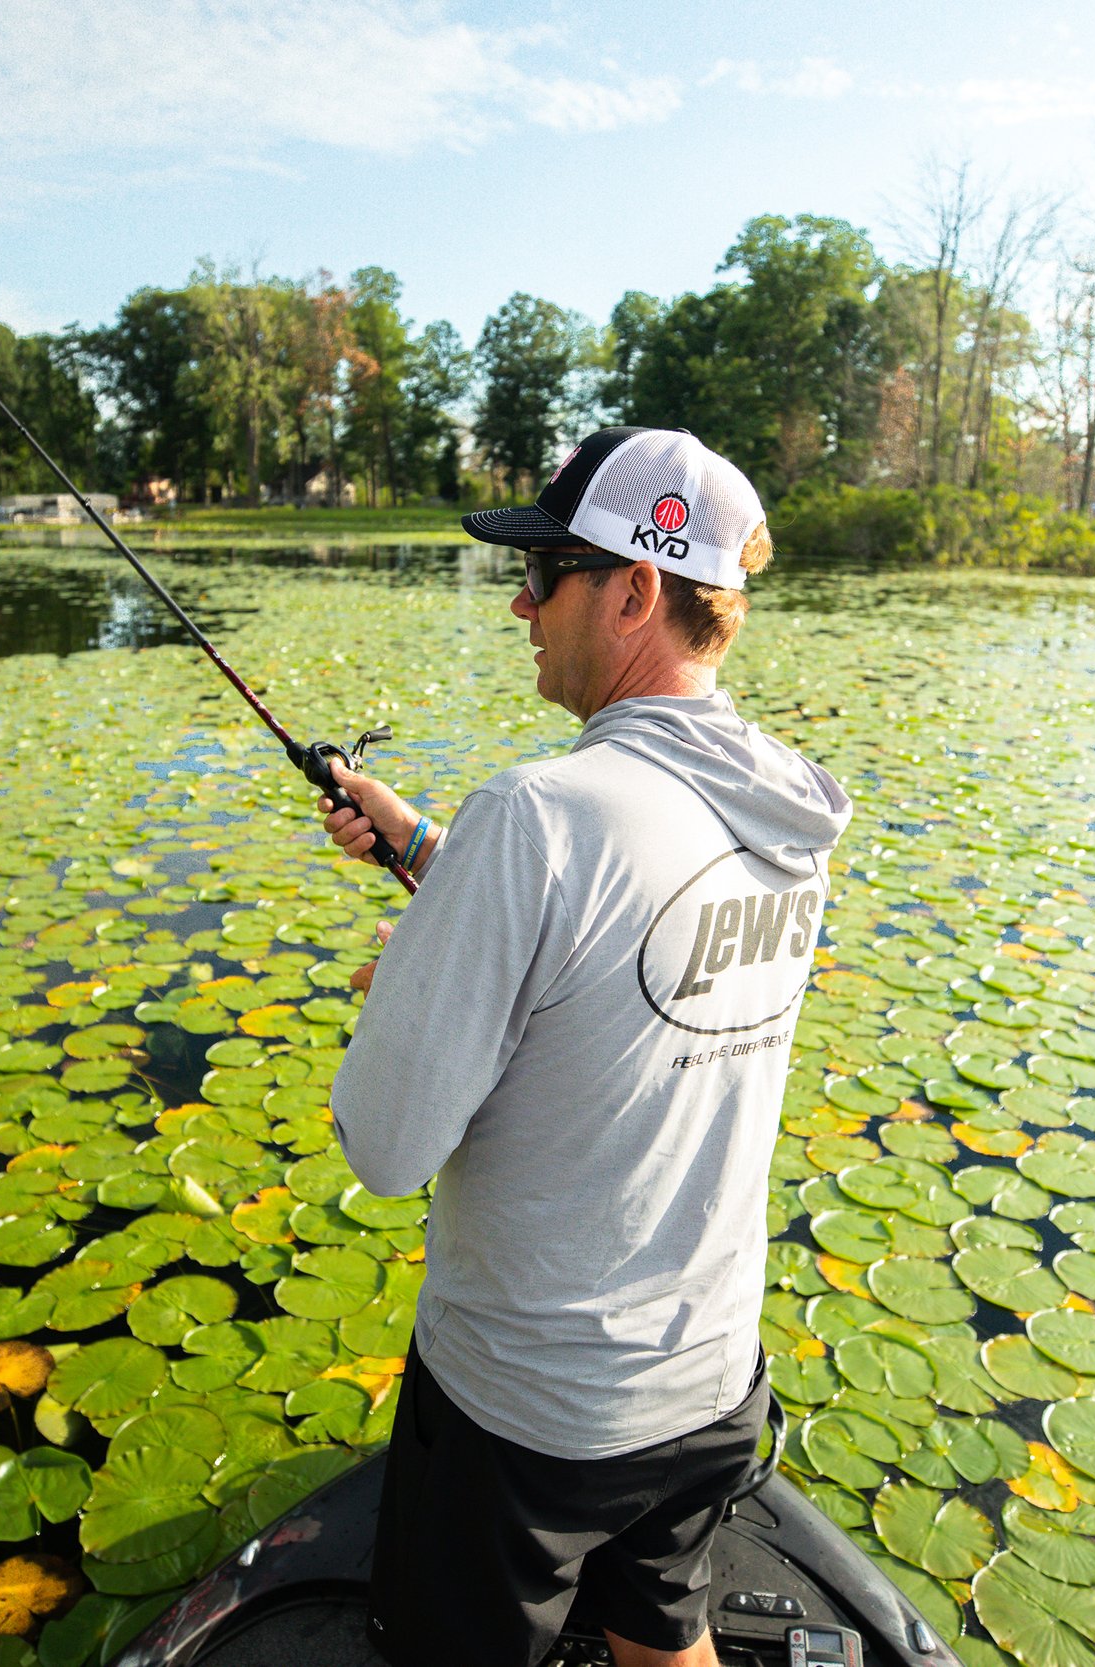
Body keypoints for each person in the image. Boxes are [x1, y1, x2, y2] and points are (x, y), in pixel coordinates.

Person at [318, 426, 853, 1667]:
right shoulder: (781, 805)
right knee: (664, 1639)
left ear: (633, 590)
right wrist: (426, 856)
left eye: (544, 570)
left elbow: (387, 1147)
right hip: (710, 1373)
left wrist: (408, 977)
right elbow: (629, 953)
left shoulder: (537, 817)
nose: (519, 599)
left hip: (528, 1413)